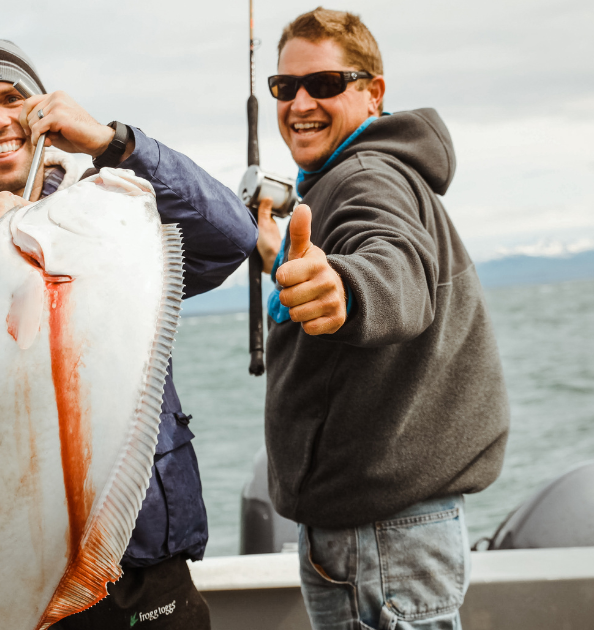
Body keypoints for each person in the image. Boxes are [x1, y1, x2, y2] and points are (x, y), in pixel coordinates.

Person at [0, 38, 257, 630]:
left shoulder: (108, 219)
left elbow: (232, 235)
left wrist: (113, 144)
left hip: (138, 575)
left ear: (44, 107)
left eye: (13, 97)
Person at [254, 9, 510, 630]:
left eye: (325, 84)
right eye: (285, 88)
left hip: (381, 538)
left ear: (373, 91)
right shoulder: (355, 176)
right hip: (385, 530)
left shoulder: (366, 177)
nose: (301, 103)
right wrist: (282, 263)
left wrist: (342, 289)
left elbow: (394, 269)